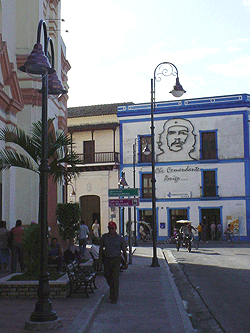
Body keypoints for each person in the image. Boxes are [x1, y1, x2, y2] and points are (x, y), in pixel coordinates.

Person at [99, 221, 128, 304]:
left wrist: (125, 262)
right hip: (107, 259)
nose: (111, 230)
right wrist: (100, 260)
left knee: (115, 278)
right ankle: (112, 289)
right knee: (107, 276)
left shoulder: (120, 238)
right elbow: (101, 248)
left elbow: (124, 251)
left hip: (116, 259)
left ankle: (114, 297)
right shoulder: (104, 237)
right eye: (109, 228)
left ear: (115, 229)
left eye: (112, 228)